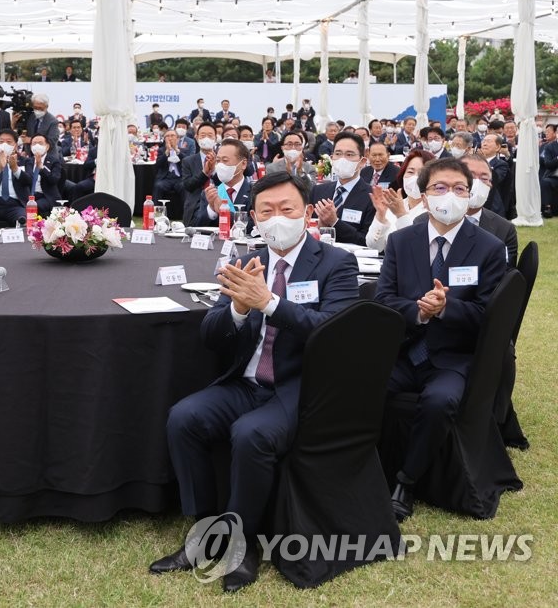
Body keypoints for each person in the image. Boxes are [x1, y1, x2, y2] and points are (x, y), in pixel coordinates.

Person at [151, 171, 359, 592]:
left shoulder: (336, 263)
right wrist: (239, 309)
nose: (277, 218)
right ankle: (204, 531)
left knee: (251, 435)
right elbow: (211, 336)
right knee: (183, 418)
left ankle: (243, 542)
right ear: (255, 217)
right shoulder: (250, 259)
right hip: (246, 382)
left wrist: (271, 303)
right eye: (267, 211)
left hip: (298, 385)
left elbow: (334, 332)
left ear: (306, 212)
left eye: (287, 209)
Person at [374, 157, 507, 522]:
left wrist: (447, 308)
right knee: (365, 388)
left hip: (453, 356)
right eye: (440, 188)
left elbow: (487, 317)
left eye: (459, 189)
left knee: (439, 401)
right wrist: (419, 310)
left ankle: (406, 481)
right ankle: (362, 470)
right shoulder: (401, 240)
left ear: (471, 194)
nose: (449, 195)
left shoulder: (489, 248)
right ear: (424, 193)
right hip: (404, 350)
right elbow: (384, 299)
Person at [311, 132, 375, 246]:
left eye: (349, 155)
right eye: (338, 154)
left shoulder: (372, 196)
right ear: (332, 158)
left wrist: (335, 222)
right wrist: (318, 227)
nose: (342, 159)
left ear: (362, 161)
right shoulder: (318, 191)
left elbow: (367, 241)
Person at [366, 150, 435, 252]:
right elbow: (374, 246)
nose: (415, 178)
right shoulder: (394, 205)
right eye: (410, 172)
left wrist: (401, 215)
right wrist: (380, 216)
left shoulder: (434, 209)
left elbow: (415, 247)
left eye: (422, 173)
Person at [458, 153, 519, 266]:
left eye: (484, 178)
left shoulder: (504, 228)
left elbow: (506, 274)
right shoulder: (427, 221)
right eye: (470, 176)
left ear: (490, 185)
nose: (477, 183)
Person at [183, 134, 252, 227]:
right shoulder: (211, 193)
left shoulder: (255, 193)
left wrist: (224, 212)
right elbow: (196, 227)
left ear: (243, 164)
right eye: (218, 161)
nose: (220, 165)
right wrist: (211, 210)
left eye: (225, 160)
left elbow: (254, 226)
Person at [0, 129, 32, 226]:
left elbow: (29, 180)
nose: (4, 144)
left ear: (15, 145)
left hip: (15, 204)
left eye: (9, 142)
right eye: (1, 142)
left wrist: (15, 169)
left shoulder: (25, 161)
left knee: (22, 219)